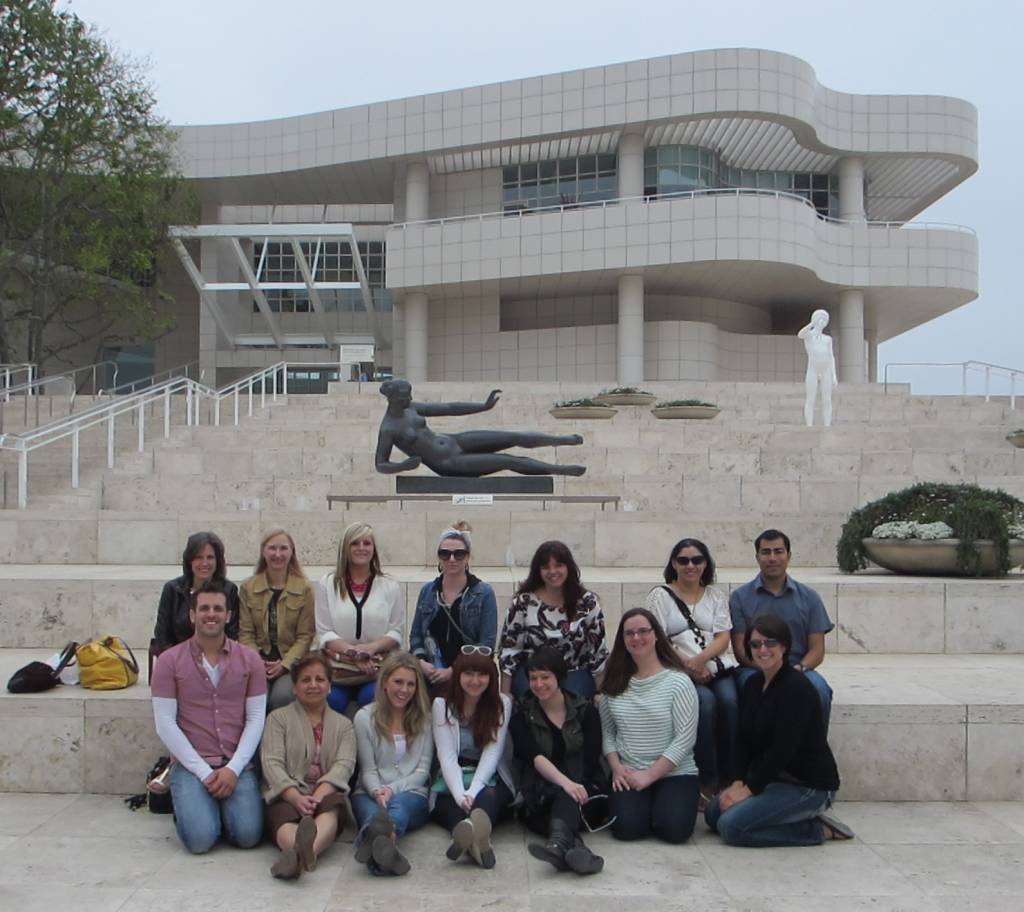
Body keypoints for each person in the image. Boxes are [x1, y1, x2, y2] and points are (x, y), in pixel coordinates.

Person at [705, 613, 853, 846]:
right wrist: (736, 781)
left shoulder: (797, 689)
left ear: (784, 646)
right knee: (714, 814)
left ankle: (816, 829)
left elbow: (782, 751)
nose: (762, 650)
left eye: (770, 643)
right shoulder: (754, 684)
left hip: (807, 785)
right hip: (773, 780)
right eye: (755, 644)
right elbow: (744, 740)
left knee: (731, 827)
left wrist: (749, 790)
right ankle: (777, 815)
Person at [151, 579, 266, 854]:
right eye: (204, 608)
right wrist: (204, 774)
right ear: (193, 615)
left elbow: (256, 718)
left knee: (248, 836)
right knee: (201, 841)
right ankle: (188, 807)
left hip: (235, 764)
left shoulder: (250, 660)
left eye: (217, 608)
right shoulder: (169, 661)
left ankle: (213, 809)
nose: (210, 614)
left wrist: (233, 769)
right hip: (193, 766)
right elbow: (164, 723)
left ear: (228, 615)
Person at [645, 538, 738, 795]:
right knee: (704, 705)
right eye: (683, 560)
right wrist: (689, 667)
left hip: (715, 666)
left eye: (697, 560)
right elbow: (658, 639)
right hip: (678, 669)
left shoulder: (715, 596)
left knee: (729, 701)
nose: (690, 565)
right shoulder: (659, 596)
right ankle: (706, 780)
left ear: (705, 564)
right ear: (673, 564)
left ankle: (731, 777)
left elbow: (723, 636)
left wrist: (700, 661)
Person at [599, 607, 699, 844]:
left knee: (674, 831)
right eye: (629, 633)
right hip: (629, 772)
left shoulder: (678, 682)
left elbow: (685, 738)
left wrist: (650, 776)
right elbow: (608, 732)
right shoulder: (614, 682)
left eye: (643, 631)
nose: (636, 638)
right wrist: (615, 767)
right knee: (626, 829)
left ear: (656, 635)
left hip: (675, 772)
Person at [260, 652, 356, 879]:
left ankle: (296, 856)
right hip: (287, 792)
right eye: (305, 680)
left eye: (320, 680)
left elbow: (345, 764)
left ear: (330, 686)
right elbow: (271, 762)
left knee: (332, 809)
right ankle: (304, 852)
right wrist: (295, 797)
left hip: (325, 794)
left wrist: (318, 796)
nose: (313, 685)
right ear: (294, 687)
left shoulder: (344, 726)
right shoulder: (277, 719)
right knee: (283, 818)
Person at [511, 649, 605, 875]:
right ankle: (573, 849)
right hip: (540, 793)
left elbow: (591, 760)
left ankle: (558, 846)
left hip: (584, 792)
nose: (538, 684)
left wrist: (573, 786)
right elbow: (534, 757)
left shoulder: (585, 711)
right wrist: (564, 784)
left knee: (566, 798)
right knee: (551, 804)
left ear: (559, 678)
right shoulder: (521, 716)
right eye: (533, 678)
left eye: (545, 677)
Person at [729, 529, 835, 726]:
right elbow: (741, 652)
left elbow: (817, 650)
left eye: (778, 551)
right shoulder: (740, 598)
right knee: (747, 689)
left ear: (789, 556)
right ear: (757, 557)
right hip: (755, 669)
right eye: (766, 552)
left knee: (819, 690)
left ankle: (814, 752)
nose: (772, 558)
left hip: (798, 668)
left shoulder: (810, 598)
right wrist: (771, 672)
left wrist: (795, 671)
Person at [375, 379, 585, 477]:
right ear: (392, 397)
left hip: (455, 441)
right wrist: (402, 466)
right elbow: (381, 464)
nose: (409, 398)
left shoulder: (411, 408)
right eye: (404, 396)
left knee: (512, 437)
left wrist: (483, 407)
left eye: (409, 395)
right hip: (449, 462)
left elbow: (449, 408)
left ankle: (561, 440)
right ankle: (561, 470)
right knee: (508, 460)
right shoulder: (388, 429)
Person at [352, 652, 435, 876]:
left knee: (396, 810)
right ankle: (385, 855)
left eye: (411, 684)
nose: (404, 690)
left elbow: (422, 771)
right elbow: (367, 769)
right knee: (374, 815)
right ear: (385, 682)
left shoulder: (425, 719)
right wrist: (378, 791)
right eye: (398, 682)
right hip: (370, 791)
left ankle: (373, 842)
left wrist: (391, 790)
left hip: (412, 792)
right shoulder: (364, 718)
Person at [431, 648, 515, 868]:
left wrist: (472, 791)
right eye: (468, 674)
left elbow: (492, 753)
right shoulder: (442, 705)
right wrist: (461, 796)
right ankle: (477, 843)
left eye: (482, 674)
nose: (475, 681)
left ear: (491, 677)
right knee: (452, 805)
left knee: (486, 799)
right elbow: (447, 756)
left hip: (489, 776)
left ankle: (466, 838)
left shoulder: (501, 703)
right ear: (458, 675)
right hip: (453, 777)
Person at [499, 540, 608, 700]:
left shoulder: (586, 603)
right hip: (534, 674)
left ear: (568, 567)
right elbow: (510, 649)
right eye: (546, 567)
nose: (552, 571)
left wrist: (600, 694)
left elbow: (597, 650)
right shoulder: (524, 602)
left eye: (558, 565)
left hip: (574, 672)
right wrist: (505, 695)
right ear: (538, 571)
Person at [315, 521, 404, 714]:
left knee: (372, 699)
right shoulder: (327, 584)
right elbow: (324, 632)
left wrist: (370, 649)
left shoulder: (389, 586)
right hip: (338, 668)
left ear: (374, 549)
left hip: (376, 668)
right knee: (330, 700)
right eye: (355, 543)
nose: (361, 548)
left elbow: (396, 631)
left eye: (367, 543)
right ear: (345, 548)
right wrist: (353, 653)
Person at [410, 522, 498, 694]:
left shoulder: (484, 593)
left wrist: (453, 671)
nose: (451, 559)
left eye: (459, 554)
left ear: (467, 557)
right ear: (438, 557)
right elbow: (416, 636)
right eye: (445, 553)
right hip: (430, 671)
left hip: (468, 673)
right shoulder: (427, 591)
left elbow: (486, 644)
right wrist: (421, 661)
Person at [239, 529, 315, 711]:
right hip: (257, 662)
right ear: (263, 552)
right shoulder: (248, 587)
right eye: (272, 548)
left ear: (292, 552)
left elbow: (305, 636)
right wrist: (257, 662)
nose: (278, 554)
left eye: (283, 548)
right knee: (256, 697)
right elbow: (245, 633)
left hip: (290, 663)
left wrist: (284, 664)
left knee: (283, 697)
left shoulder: (304, 588)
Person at [153, 531, 239, 650]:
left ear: (217, 561)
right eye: (198, 557)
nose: (204, 563)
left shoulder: (229, 590)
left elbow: (232, 635)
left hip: (218, 662)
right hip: (177, 662)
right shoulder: (172, 589)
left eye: (210, 557)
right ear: (190, 560)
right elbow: (162, 636)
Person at [798, 308, 837, 427]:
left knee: (827, 400)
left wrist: (833, 375)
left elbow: (831, 357)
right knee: (811, 398)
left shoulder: (827, 339)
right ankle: (809, 424)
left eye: (825, 320)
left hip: (826, 370)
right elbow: (800, 335)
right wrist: (812, 324)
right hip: (813, 369)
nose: (823, 322)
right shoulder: (809, 336)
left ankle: (827, 424)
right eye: (821, 319)